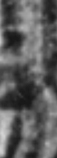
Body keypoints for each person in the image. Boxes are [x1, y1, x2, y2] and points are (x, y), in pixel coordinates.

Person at [0, 29, 38, 158]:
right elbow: (26, 83)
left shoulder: (3, 58)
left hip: (5, 105)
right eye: (21, 44)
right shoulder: (21, 61)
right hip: (13, 105)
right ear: (16, 44)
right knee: (13, 139)